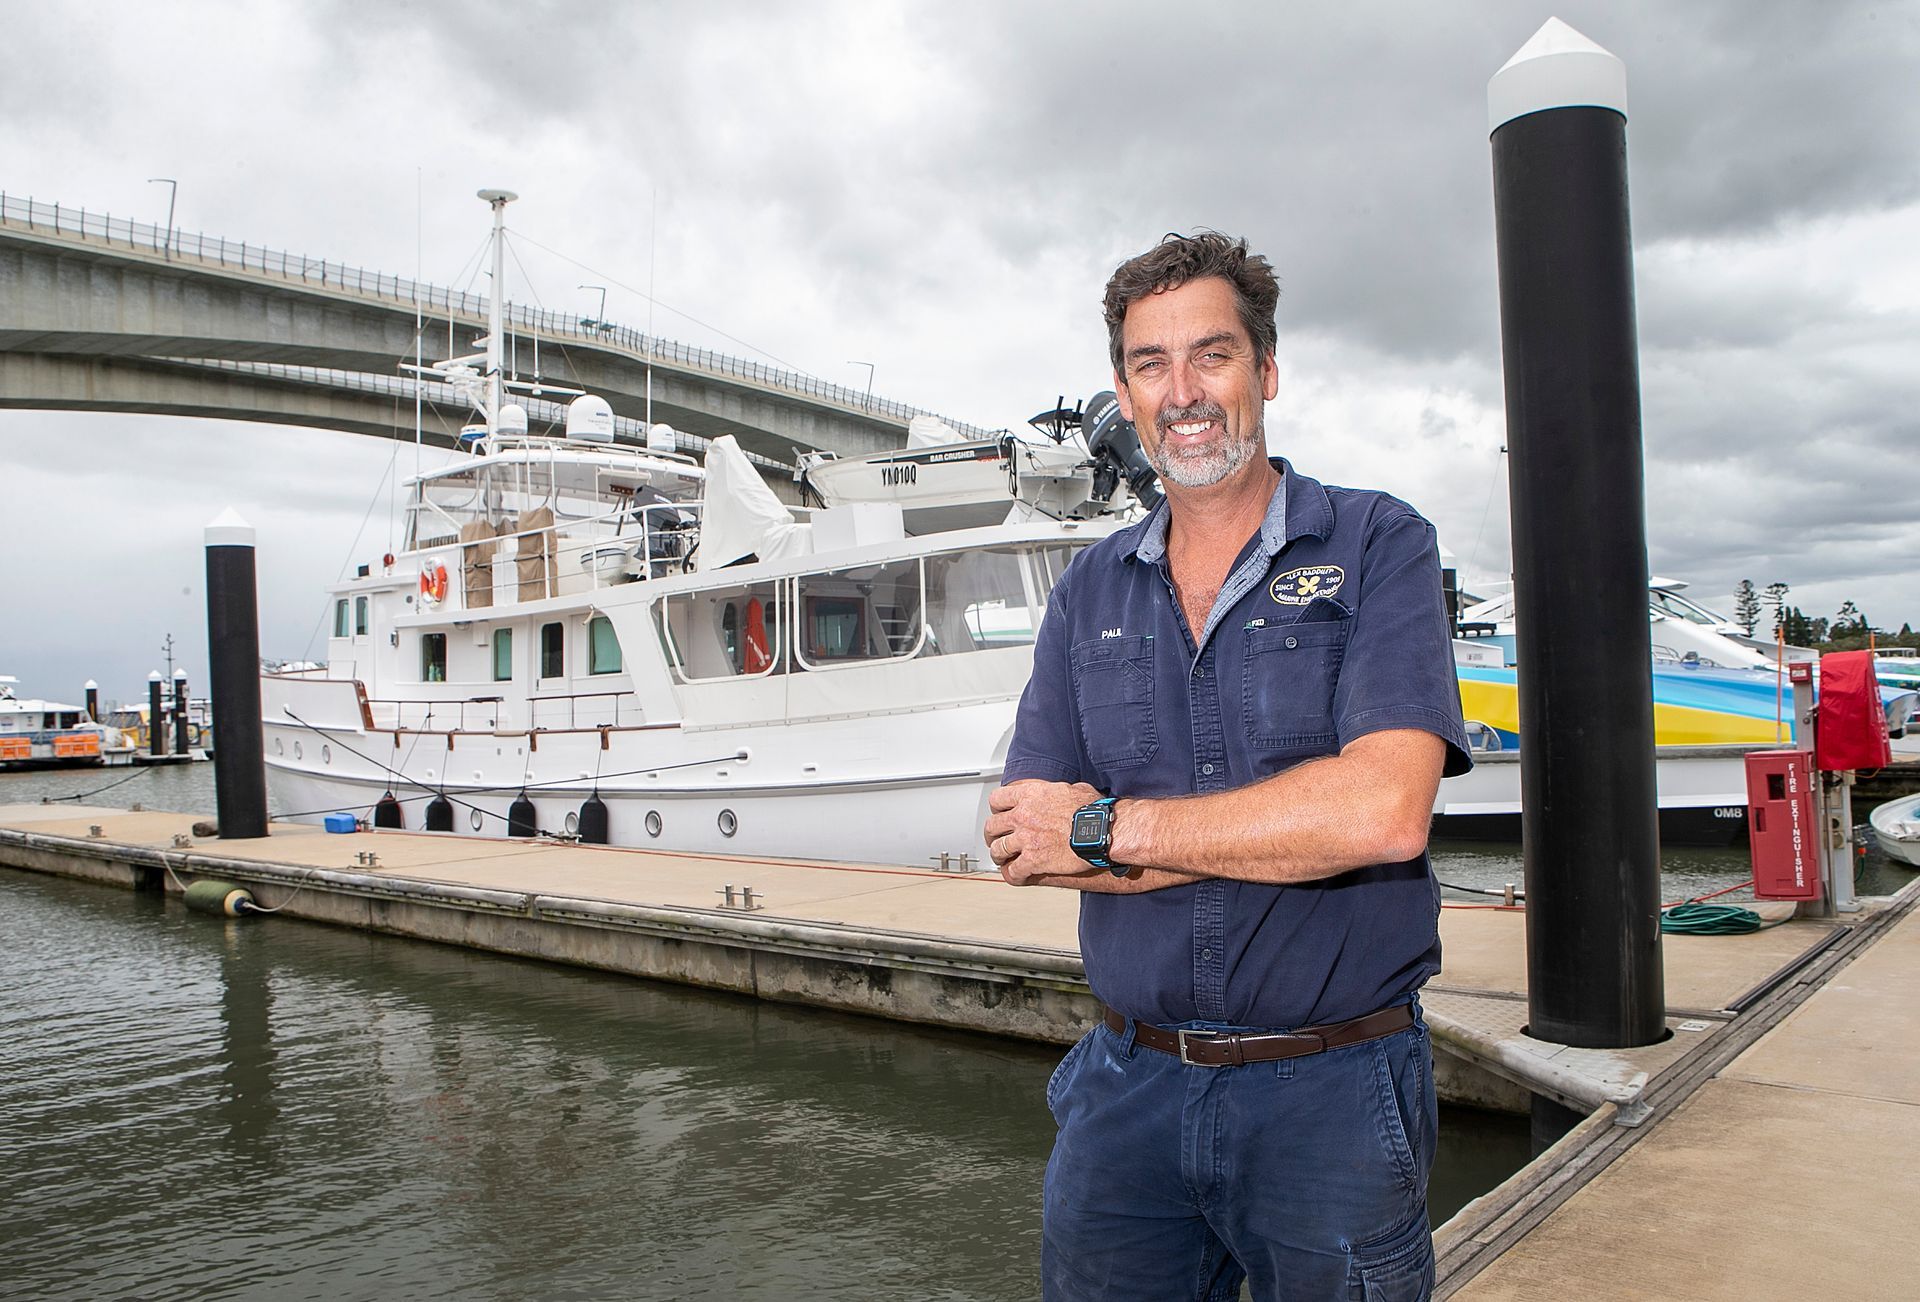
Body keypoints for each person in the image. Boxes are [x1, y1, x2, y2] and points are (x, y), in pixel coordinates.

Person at [985, 231, 1471, 1301]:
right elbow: (1025, 839)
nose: (1183, 391)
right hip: (1125, 1095)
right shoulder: (1086, 593)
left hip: (1334, 1095)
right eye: (1151, 364)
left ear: (1267, 372)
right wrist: (1284, 831)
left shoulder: (1380, 544)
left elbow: (1384, 814)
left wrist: (1111, 826)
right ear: (1125, 390)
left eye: (1212, 355)